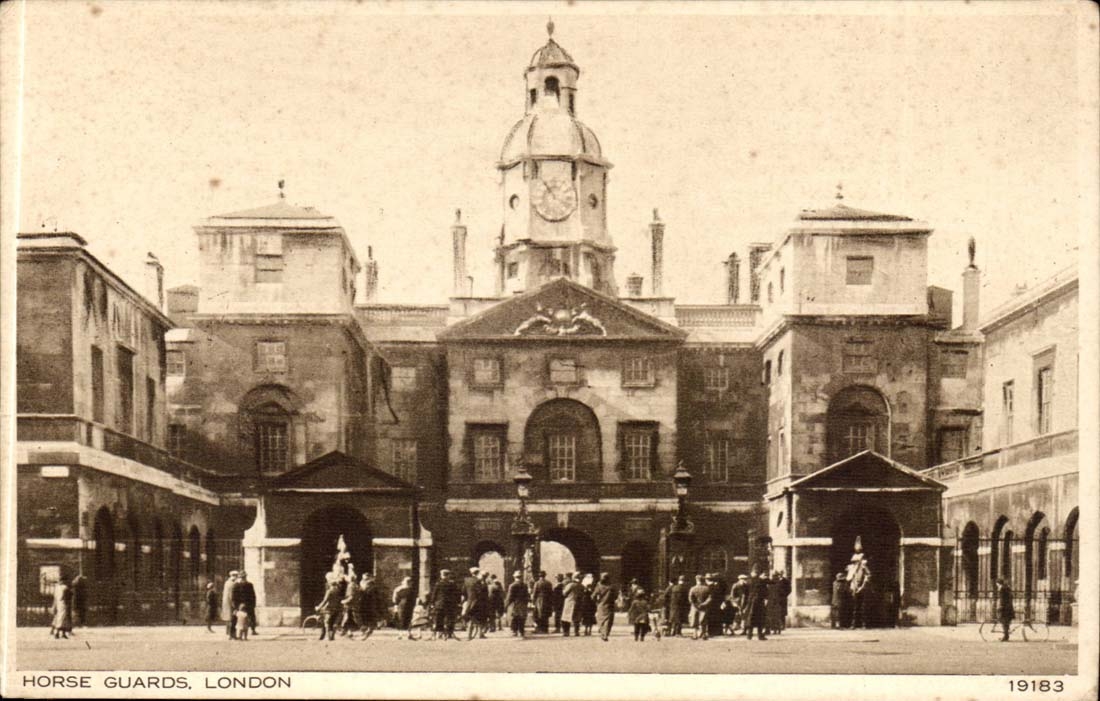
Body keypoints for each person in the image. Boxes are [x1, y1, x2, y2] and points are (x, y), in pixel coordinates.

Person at [430, 569, 462, 640]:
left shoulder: (438, 584)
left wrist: (432, 603)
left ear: (441, 575)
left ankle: (440, 633)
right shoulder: (452, 584)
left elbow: (434, 595)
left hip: (440, 604)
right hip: (450, 604)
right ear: (448, 576)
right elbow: (457, 594)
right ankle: (449, 633)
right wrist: (458, 602)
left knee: (439, 618)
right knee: (449, 619)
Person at [314, 576, 342, 641]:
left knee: (326, 622)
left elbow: (325, 600)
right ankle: (332, 637)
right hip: (337, 609)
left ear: (330, 585)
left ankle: (327, 636)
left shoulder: (329, 591)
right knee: (334, 623)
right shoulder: (338, 591)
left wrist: (319, 607)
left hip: (329, 609)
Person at [743, 568, 768, 641]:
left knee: (750, 618)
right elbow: (765, 591)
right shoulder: (761, 581)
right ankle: (760, 635)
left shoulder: (748, 581)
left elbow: (745, 592)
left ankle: (749, 635)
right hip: (759, 602)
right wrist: (766, 598)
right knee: (760, 619)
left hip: (751, 601)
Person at [593, 572, 618, 642]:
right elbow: (615, 596)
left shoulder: (599, 586)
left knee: (601, 620)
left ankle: (602, 633)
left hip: (601, 605)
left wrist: (597, 602)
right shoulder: (612, 587)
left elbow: (593, 596)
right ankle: (606, 634)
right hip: (610, 605)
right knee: (608, 620)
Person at [504, 570, 530, 638]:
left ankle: (514, 631)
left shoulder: (512, 585)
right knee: (522, 618)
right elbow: (527, 595)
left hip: (514, 604)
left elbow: (509, 596)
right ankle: (521, 632)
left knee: (514, 617)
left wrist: (506, 605)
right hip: (523, 604)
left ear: (514, 577)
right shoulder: (525, 585)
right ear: (521, 577)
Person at [233, 571, 258, 636]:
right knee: (238, 618)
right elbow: (234, 596)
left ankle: (253, 629)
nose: (243, 578)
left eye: (244, 577)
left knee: (251, 617)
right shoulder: (236, 585)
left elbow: (253, 595)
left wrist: (253, 604)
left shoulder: (249, 585)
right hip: (240, 605)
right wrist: (236, 606)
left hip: (248, 604)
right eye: (242, 577)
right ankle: (236, 632)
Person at [360, 574, 384, 639]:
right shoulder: (365, 590)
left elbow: (378, 599)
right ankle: (366, 632)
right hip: (368, 607)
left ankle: (366, 633)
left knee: (370, 622)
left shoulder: (372, 590)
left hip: (371, 608)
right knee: (368, 622)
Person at [50, 575, 73, 639]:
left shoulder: (57, 587)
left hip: (58, 604)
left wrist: (54, 606)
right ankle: (57, 633)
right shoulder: (65, 588)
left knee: (59, 618)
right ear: (64, 581)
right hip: (64, 604)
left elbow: (55, 597)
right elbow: (68, 596)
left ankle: (63, 633)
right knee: (63, 619)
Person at [688, 575, 711, 640]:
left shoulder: (692, 588)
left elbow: (690, 598)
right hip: (704, 607)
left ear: (696, 580)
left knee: (694, 620)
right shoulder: (707, 588)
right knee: (703, 620)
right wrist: (704, 604)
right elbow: (710, 598)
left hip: (695, 607)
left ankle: (695, 634)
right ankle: (703, 634)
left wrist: (695, 604)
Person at [341, 573, 364, 637]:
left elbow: (351, 597)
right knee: (351, 618)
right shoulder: (356, 585)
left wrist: (344, 601)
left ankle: (363, 630)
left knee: (349, 618)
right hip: (355, 604)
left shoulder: (350, 586)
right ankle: (348, 632)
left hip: (350, 605)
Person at [561, 572, 580, 637]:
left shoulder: (570, 585)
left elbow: (564, 593)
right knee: (576, 618)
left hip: (569, 602)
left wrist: (563, 589)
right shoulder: (581, 586)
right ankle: (576, 632)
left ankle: (566, 632)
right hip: (578, 602)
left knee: (566, 618)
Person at [996, 578, 1015, 642]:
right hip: (1009, 608)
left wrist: (1001, 606)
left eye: (997, 584)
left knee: (1003, 621)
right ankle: (1006, 636)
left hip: (1005, 608)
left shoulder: (1002, 589)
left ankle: (1005, 636)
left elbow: (1002, 599)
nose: (997, 585)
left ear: (998, 583)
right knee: (1006, 622)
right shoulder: (1007, 588)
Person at [222, 570, 238, 640]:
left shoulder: (227, 583)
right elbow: (231, 595)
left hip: (226, 603)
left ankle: (228, 632)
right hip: (231, 603)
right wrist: (234, 604)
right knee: (233, 619)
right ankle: (232, 635)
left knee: (228, 619)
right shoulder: (233, 584)